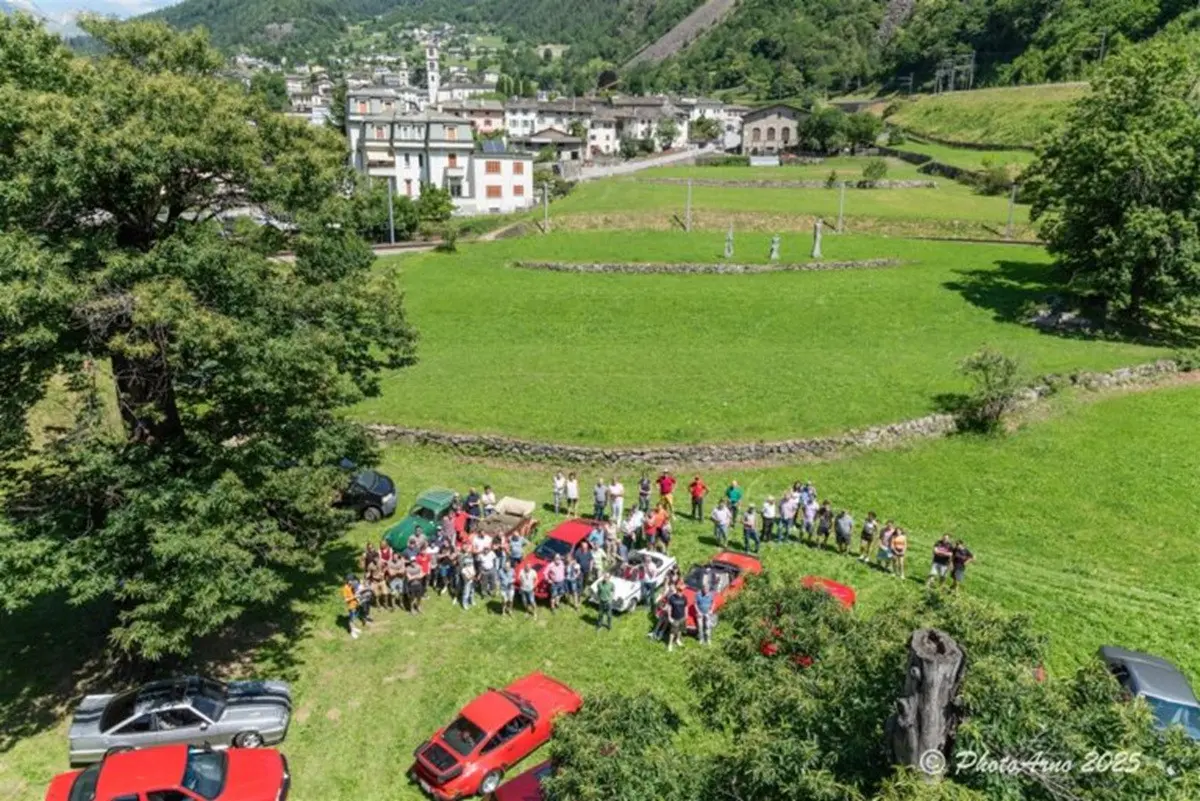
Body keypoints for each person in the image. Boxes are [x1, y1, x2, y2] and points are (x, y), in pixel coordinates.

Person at [665, 586, 688, 652]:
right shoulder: (672, 597)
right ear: (677, 590)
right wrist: (669, 617)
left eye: (681, 590)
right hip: (674, 618)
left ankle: (677, 640)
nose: (680, 592)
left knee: (680, 630)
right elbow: (669, 607)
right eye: (679, 590)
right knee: (672, 632)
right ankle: (670, 644)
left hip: (682, 617)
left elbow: (686, 606)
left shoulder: (684, 597)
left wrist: (686, 615)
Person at [342, 574, 364, 639]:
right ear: (347, 581)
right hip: (351, 606)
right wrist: (354, 597)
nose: (352, 582)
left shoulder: (352, 586)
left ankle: (354, 629)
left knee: (354, 618)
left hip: (356, 604)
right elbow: (346, 600)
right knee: (351, 619)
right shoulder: (345, 588)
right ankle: (352, 632)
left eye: (352, 580)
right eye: (351, 580)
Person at [695, 580, 715, 645]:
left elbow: (713, 603)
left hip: (707, 613)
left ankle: (708, 639)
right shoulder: (698, 594)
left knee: (708, 626)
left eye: (707, 589)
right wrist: (698, 612)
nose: (706, 590)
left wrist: (711, 610)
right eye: (705, 589)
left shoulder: (711, 594)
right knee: (700, 626)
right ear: (702, 588)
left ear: (709, 589)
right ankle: (701, 639)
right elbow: (695, 604)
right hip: (700, 613)